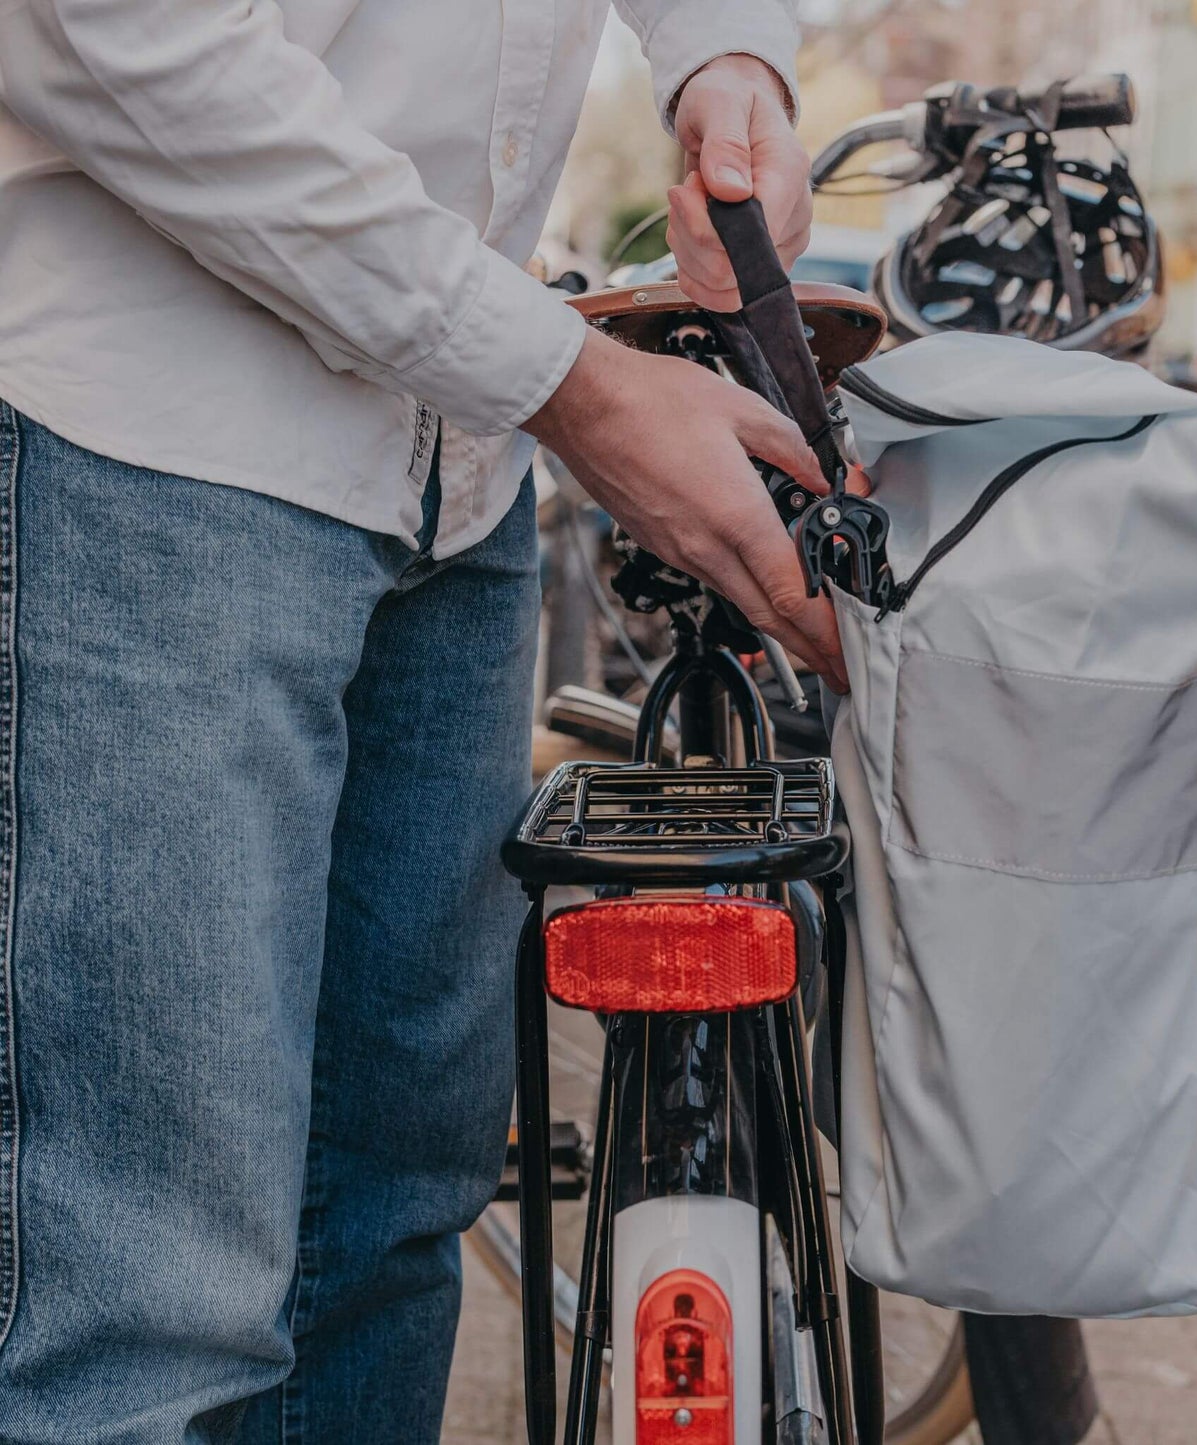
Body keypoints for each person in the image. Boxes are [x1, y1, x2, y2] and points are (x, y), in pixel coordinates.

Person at [0, 3, 838, 1440]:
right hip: (158, 449)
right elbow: (124, 32)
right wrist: (572, 388)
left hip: (456, 473)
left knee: (390, 1224)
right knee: (155, 1309)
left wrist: (725, 59)